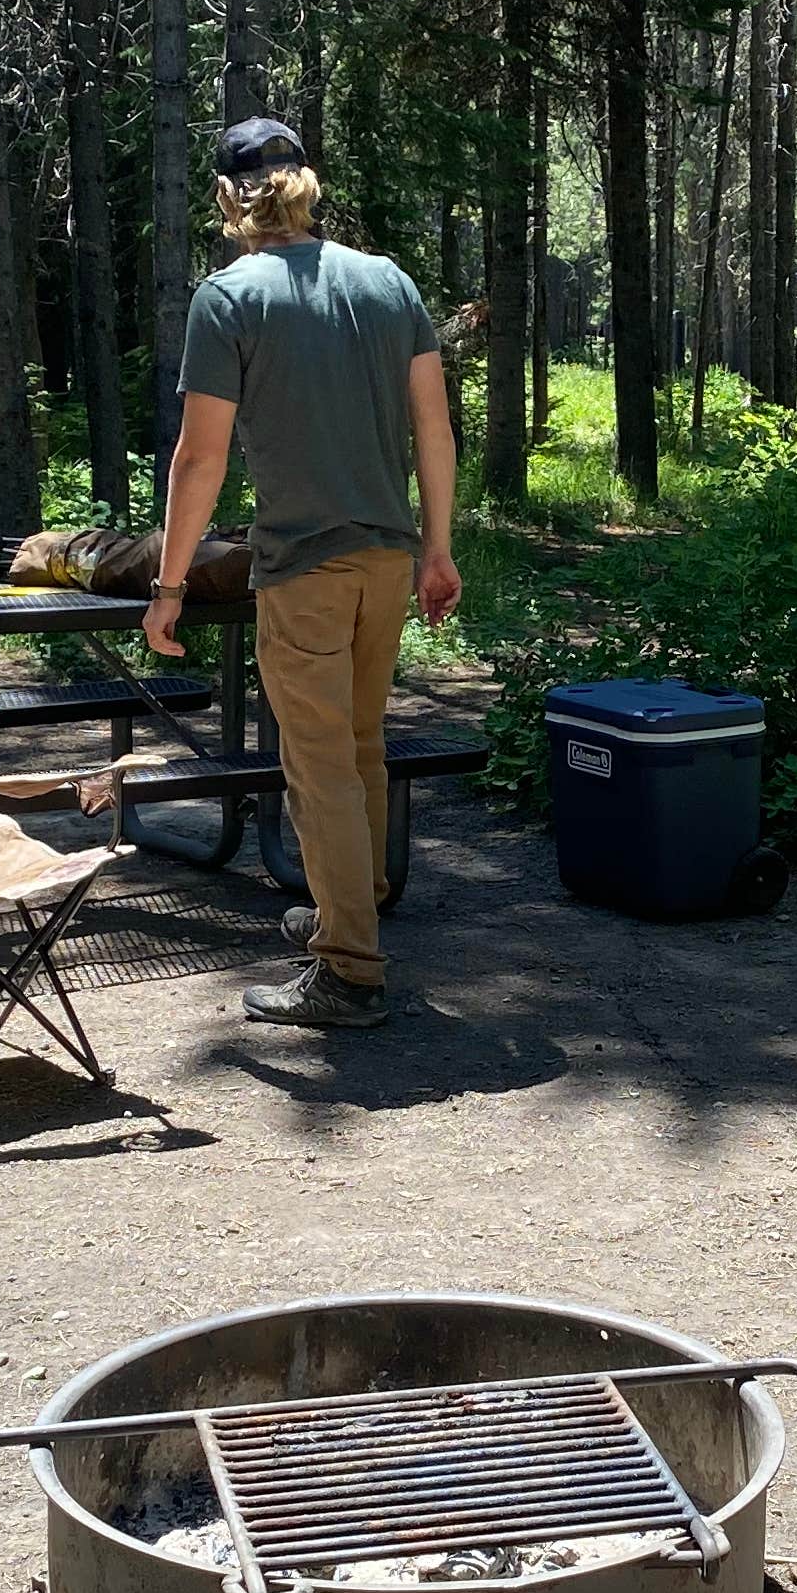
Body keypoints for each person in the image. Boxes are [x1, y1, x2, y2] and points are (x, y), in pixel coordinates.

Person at [147, 118, 462, 1028]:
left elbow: (199, 461)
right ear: (307, 185)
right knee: (357, 748)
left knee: (317, 761)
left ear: (226, 200)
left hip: (304, 565)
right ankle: (345, 907)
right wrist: (435, 550)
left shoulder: (229, 296)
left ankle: (350, 969)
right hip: (386, 561)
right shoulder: (386, 280)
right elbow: (434, 430)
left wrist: (169, 587)